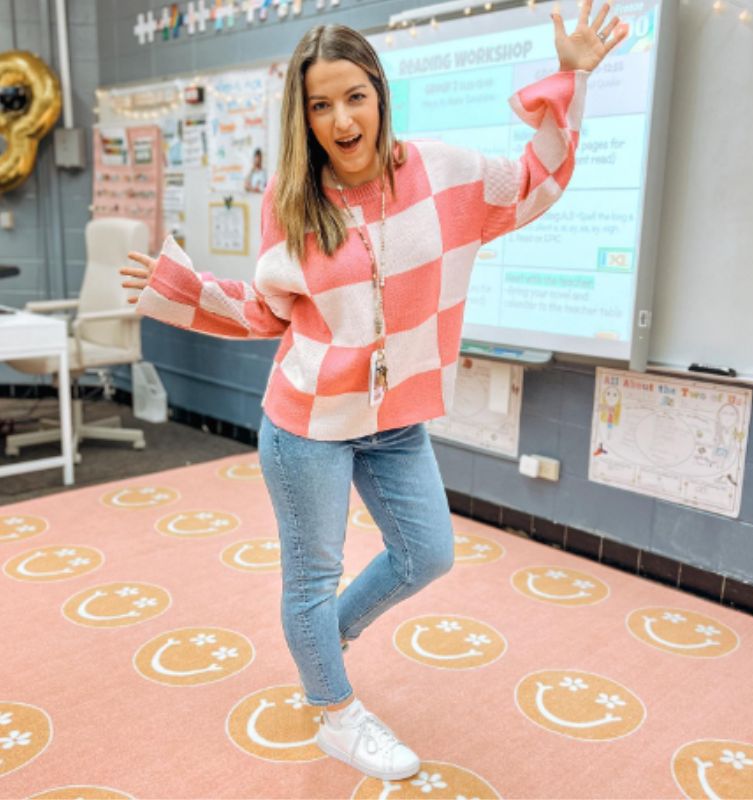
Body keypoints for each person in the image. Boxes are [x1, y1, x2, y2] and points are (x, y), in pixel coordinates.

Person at [120, 4, 627, 782]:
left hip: (395, 422)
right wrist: (179, 290)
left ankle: (324, 636)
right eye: (320, 104)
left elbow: (536, 180)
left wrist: (575, 75)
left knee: (427, 554)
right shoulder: (293, 202)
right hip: (308, 423)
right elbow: (265, 309)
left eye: (353, 95)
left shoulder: (445, 172)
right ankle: (335, 711)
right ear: (305, 115)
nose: (339, 118)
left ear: (380, 93)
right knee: (311, 576)